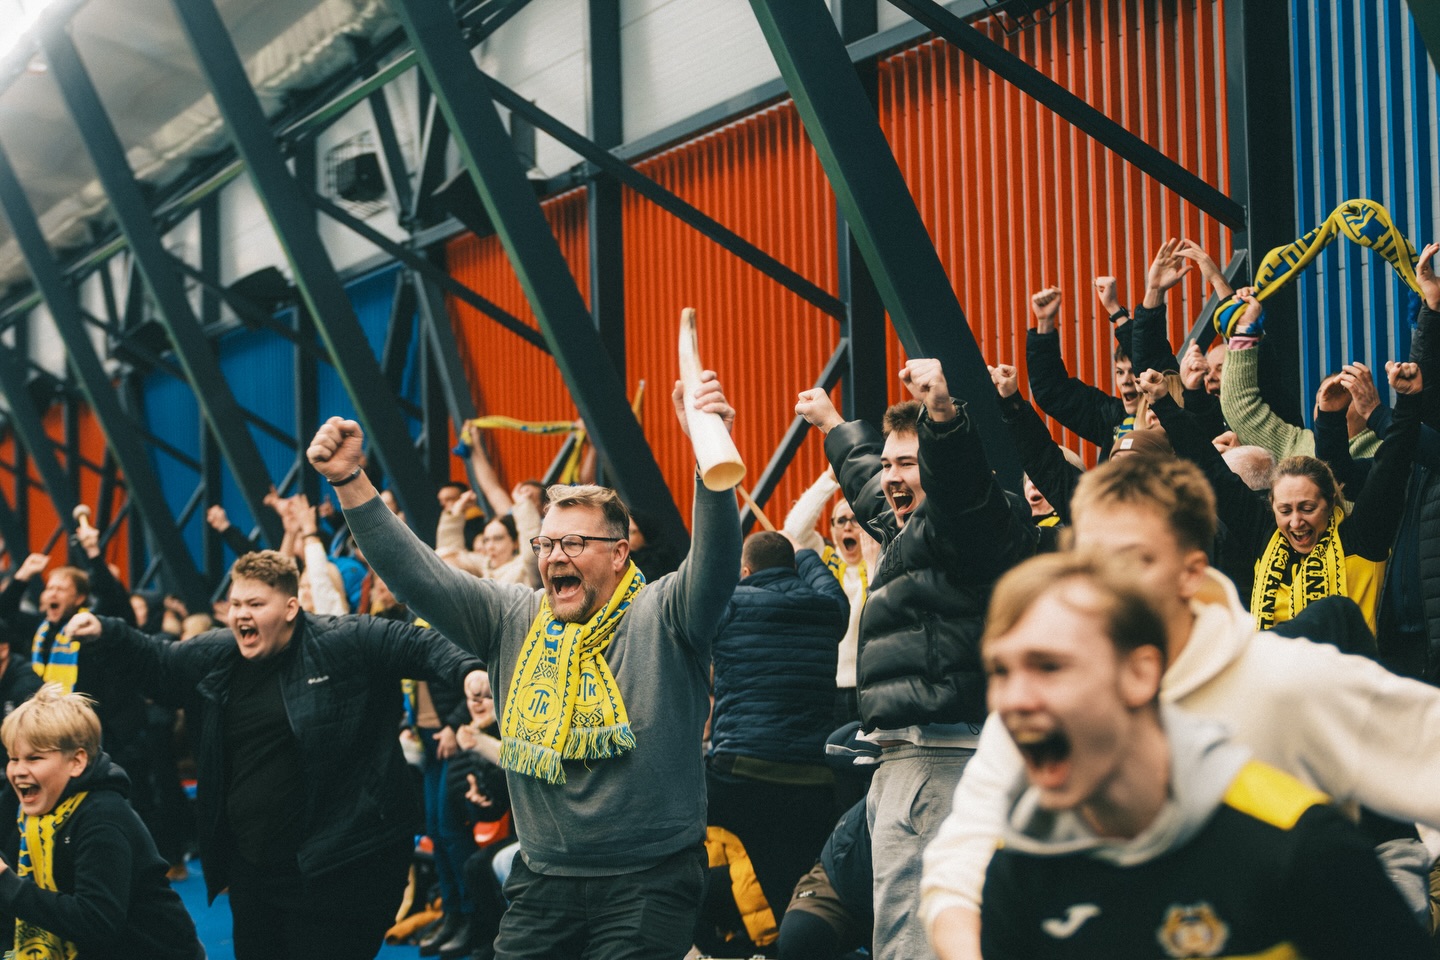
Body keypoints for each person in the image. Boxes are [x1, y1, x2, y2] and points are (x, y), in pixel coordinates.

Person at [920, 454, 1440, 959]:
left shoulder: (1284, 679)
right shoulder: (1044, 706)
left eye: (1131, 560)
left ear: (1191, 571)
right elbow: (960, 867)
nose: (1106, 584)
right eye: (1089, 562)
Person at [306, 370, 742, 959]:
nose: (554, 556)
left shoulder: (666, 612)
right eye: (546, 544)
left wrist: (707, 450)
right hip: (542, 881)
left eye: (573, 544)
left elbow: (715, 562)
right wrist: (351, 483)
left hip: (650, 879)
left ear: (619, 554)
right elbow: (419, 577)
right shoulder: (511, 615)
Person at [63, 549, 485, 960]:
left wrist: (469, 672)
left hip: (340, 868)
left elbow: (420, 645)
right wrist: (106, 630)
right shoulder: (218, 653)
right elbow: (161, 663)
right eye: (235, 603)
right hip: (255, 873)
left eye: (255, 604)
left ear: (290, 608)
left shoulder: (343, 639)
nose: (241, 614)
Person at [795, 358, 1036, 960]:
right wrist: (832, 426)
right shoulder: (913, 528)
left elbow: (958, 483)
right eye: (889, 464)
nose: (892, 478)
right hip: (905, 756)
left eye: (908, 464)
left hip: (941, 758)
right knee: (901, 927)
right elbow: (868, 482)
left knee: (916, 935)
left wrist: (943, 415)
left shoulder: (970, 522)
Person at [1141, 357, 1424, 635]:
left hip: (1344, 679)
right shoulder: (1264, 536)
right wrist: (1164, 403)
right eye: (1285, 510)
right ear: (1272, 507)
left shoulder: (1362, 538)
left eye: (1308, 508)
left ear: (1329, 503)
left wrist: (1407, 402)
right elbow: (1210, 468)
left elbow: (1392, 466)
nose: (1296, 521)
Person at [0, 683, 204, 960]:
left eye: (34, 758)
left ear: (77, 762)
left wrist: (6, 882)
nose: (19, 770)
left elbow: (97, 922)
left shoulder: (102, 817)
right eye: (13, 758)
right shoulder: (28, 809)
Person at [707, 530, 849, 917]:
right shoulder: (827, 608)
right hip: (811, 777)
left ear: (747, 569)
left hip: (740, 769)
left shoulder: (728, 605)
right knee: (797, 883)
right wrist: (805, 554)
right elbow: (829, 586)